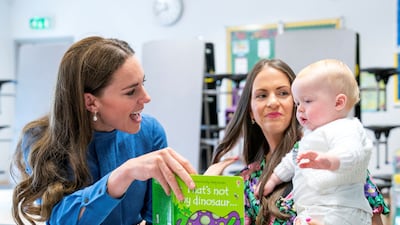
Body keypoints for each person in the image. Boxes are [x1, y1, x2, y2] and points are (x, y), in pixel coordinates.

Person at [10, 36, 196, 225]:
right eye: (131, 91)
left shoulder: (151, 132)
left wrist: (204, 193)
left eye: (143, 83)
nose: (146, 97)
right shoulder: (39, 139)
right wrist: (123, 175)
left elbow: (157, 216)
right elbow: (60, 219)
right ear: (91, 102)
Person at [208, 58, 389, 225]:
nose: (272, 102)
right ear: (250, 111)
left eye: (282, 93)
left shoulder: (330, 153)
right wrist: (207, 187)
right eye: (262, 95)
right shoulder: (247, 182)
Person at [259, 59, 373, 225]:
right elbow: (293, 160)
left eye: (308, 101)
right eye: (298, 103)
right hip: (314, 210)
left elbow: (352, 152)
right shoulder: (311, 136)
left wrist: (330, 160)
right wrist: (273, 179)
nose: (300, 109)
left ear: (338, 102)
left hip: (342, 210)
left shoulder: (346, 128)